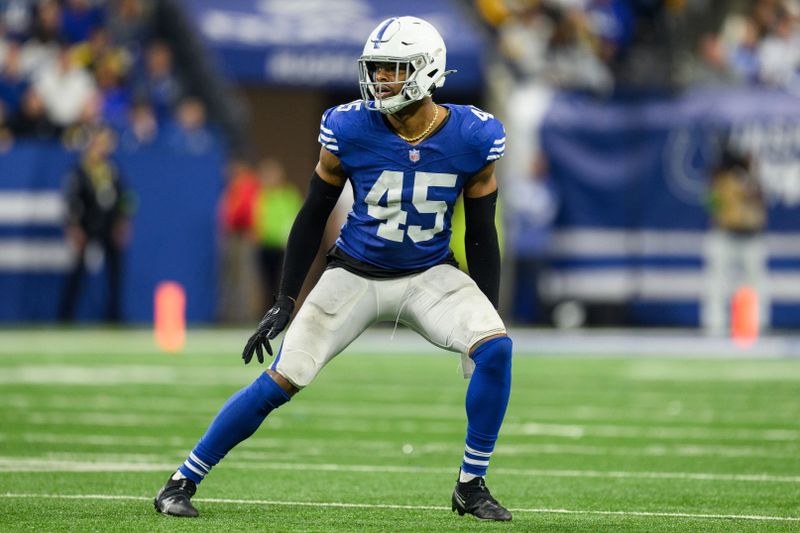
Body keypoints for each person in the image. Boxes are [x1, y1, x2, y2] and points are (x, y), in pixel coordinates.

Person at [154, 16, 513, 522]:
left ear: (428, 71)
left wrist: (487, 306)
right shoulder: (350, 126)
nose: (381, 81)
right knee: (283, 378)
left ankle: (471, 486)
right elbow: (313, 212)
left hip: (430, 273)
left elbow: (481, 230)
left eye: (394, 70)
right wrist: (284, 298)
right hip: (354, 275)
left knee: (495, 348)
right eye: (377, 70)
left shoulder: (474, 136)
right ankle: (180, 480)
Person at [59, 125, 131, 321]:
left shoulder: (112, 169)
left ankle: (114, 315)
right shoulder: (81, 170)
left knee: (115, 272)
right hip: (88, 225)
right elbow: (71, 200)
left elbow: (126, 196)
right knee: (77, 273)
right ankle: (65, 315)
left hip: (109, 226)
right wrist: (74, 227)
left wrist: (123, 221)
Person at [701, 144, 769, 335]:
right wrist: (717, 186)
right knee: (716, 281)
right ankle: (714, 324)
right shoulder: (721, 181)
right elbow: (710, 205)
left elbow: (760, 202)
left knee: (755, 281)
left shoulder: (752, 181)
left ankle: (758, 323)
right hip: (725, 234)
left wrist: (750, 185)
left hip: (750, 236)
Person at [252, 158, 303, 306]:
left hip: (283, 247)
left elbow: (295, 217)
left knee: (282, 282)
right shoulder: (261, 195)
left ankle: (282, 309)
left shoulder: (289, 194)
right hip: (264, 245)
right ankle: (268, 310)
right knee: (267, 281)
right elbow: (255, 216)